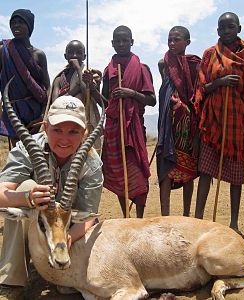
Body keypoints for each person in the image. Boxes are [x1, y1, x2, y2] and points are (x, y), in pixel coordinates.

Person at [0, 95, 103, 289]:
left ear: (84, 133)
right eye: (57, 130)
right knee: (25, 187)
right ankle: (11, 280)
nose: (64, 139)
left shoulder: (91, 163)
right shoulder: (29, 147)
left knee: (68, 287)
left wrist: (65, 239)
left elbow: (89, 215)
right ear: (46, 127)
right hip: (38, 218)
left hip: (71, 224)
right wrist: (26, 198)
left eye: (73, 131)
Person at [194, 12, 244, 234]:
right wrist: (219, 82)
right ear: (217, 30)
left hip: (237, 121)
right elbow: (201, 87)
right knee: (206, 171)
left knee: (236, 175)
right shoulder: (210, 54)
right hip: (213, 122)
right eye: (222, 27)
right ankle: (198, 220)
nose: (226, 30)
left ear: (239, 28)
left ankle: (234, 223)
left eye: (231, 27)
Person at [101, 25, 156, 218]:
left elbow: (151, 100)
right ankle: (126, 217)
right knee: (118, 175)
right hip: (114, 129)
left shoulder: (141, 68)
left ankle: (139, 218)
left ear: (132, 42)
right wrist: (91, 87)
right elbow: (104, 101)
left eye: (126, 40)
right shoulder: (108, 70)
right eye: (118, 41)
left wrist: (131, 93)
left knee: (138, 173)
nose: (122, 44)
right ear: (112, 43)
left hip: (134, 129)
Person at [156, 26, 201, 216]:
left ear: (187, 42)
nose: (172, 43)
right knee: (166, 168)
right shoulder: (163, 64)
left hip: (188, 127)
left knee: (188, 170)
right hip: (168, 126)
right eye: (169, 40)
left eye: (177, 39)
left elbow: (198, 96)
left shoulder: (195, 64)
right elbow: (166, 92)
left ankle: (186, 214)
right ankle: (165, 214)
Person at [0, 9, 50, 146]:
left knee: (37, 152)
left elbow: (47, 87)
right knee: (17, 153)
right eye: (13, 22)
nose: (16, 25)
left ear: (29, 26)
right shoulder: (4, 50)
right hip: (13, 110)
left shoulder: (39, 54)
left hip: (36, 110)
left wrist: (42, 115)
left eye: (21, 22)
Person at [47, 39, 103, 153]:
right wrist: (76, 89)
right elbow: (56, 102)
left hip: (84, 123)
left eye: (79, 53)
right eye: (71, 52)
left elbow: (86, 92)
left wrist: (78, 69)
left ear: (84, 56)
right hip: (62, 123)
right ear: (65, 55)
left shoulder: (90, 75)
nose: (74, 55)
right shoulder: (59, 78)